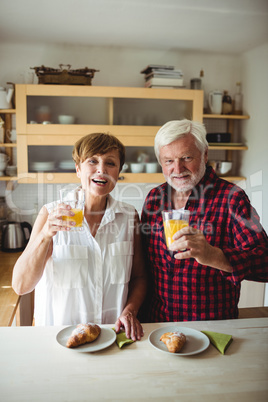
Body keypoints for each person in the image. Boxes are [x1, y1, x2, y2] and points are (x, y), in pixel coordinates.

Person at [12, 133, 147, 340]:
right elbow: (21, 285)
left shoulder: (129, 217)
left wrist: (130, 311)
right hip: (59, 340)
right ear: (78, 169)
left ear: (118, 172)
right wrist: (46, 235)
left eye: (110, 163)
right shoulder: (51, 214)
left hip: (112, 336)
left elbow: (139, 277)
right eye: (92, 161)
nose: (101, 169)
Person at [141, 119, 268, 322]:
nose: (178, 168)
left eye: (186, 157)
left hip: (211, 328)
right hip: (157, 325)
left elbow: (264, 263)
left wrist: (214, 255)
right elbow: (144, 268)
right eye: (168, 161)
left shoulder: (232, 198)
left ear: (205, 154)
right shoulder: (154, 199)